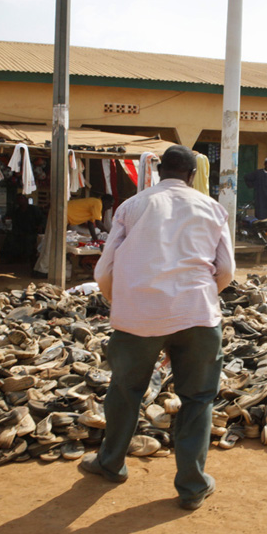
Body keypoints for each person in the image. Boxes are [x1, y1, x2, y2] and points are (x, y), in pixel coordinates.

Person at [84, 145, 234, 511]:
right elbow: (226, 271)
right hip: (197, 315)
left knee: (124, 390)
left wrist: (121, 301)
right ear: (191, 174)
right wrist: (197, 297)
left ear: (157, 171)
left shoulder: (132, 206)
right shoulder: (212, 208)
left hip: (137, 317)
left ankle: (111, 463)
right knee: (198, 399)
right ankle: (193, 486)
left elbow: (103, 271)